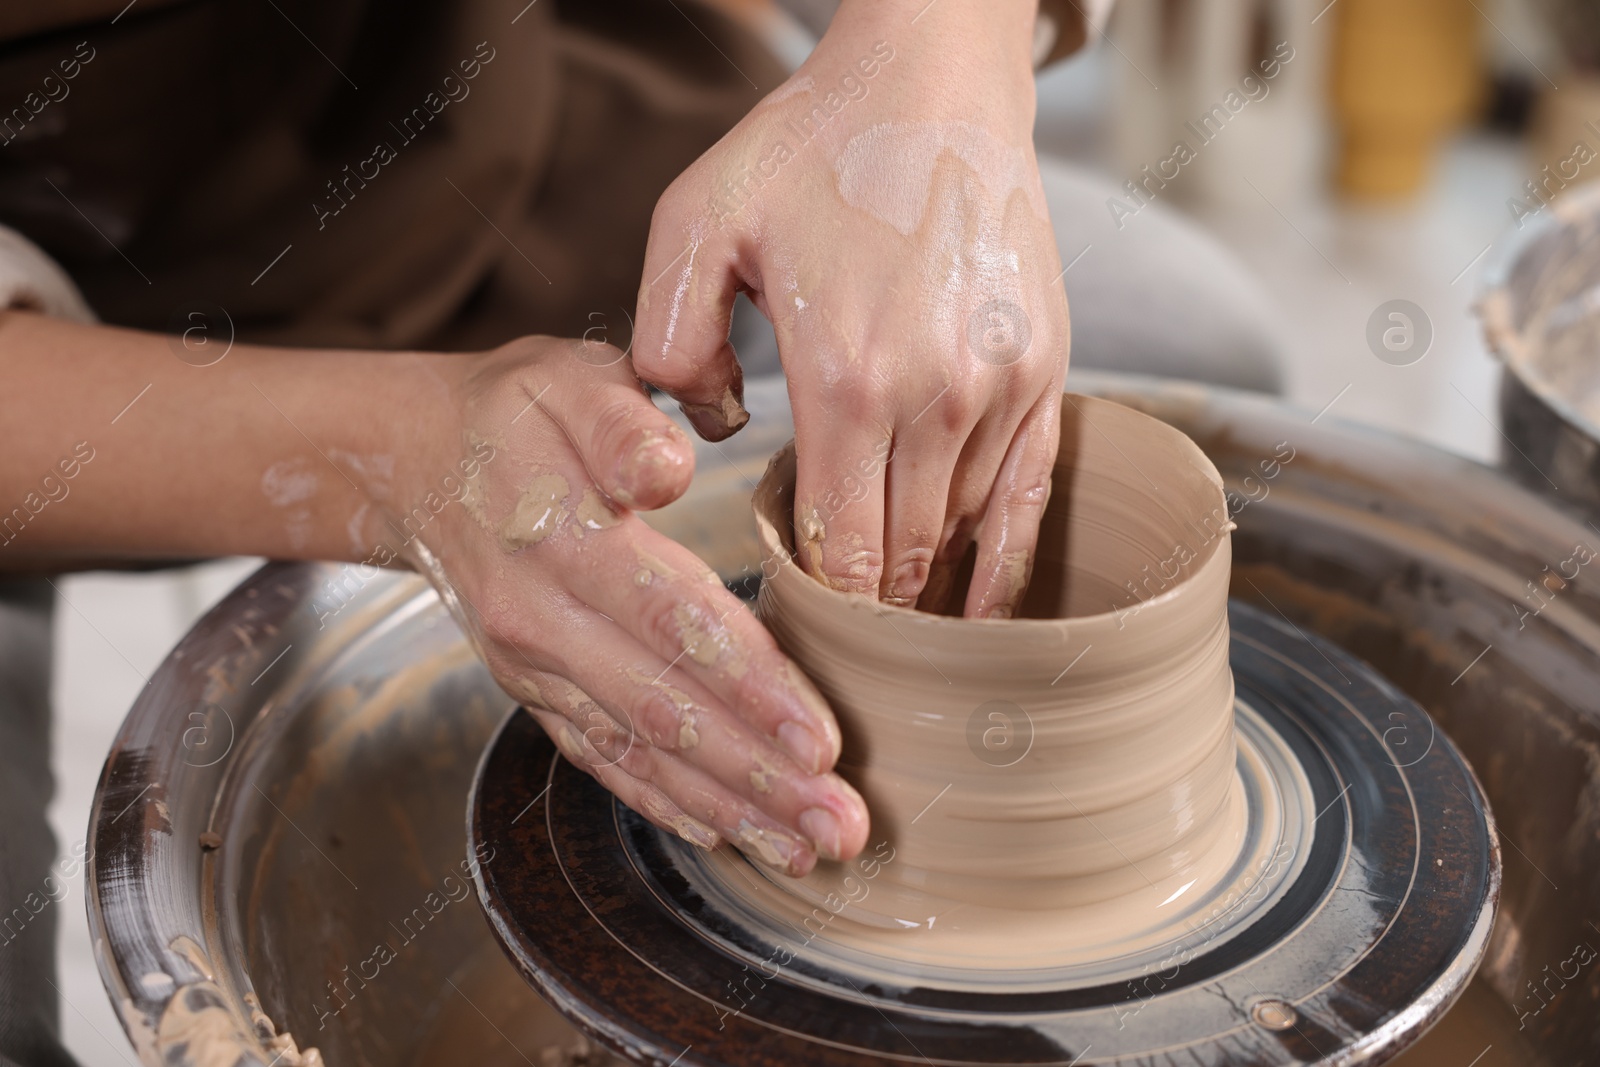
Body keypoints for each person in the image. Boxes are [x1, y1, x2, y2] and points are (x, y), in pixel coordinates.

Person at [1, 1, 1286, 1064]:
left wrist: (942, 58)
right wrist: (391, 461)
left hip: (492, 125)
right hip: (63, 355)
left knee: (1186, 345)